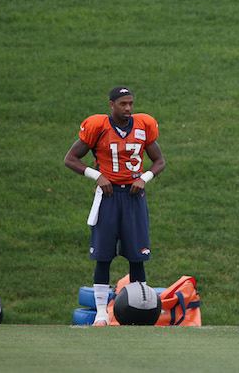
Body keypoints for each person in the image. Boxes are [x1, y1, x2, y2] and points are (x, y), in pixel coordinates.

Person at [64, 86, 166, 326]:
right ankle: (101, 313)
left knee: (137, 256)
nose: (128, 108)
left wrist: (144, 178)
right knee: (103, 255)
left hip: (133, 198)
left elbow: (159, 161)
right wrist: (96, 175)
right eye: (123, 104)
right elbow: (70, 158)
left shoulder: (144, 125)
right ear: (112, 105)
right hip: (108, 197)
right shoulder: (98, 127)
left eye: (131, 103)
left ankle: (137, 310)